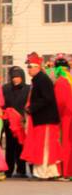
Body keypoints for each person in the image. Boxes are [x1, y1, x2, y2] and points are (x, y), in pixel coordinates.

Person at [22, 52, 62, 180]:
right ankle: (47, 171)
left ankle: (44, 172)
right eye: (28, 66)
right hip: (41, 118)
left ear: (37, 67)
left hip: (46, 118)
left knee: (44, 145)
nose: (28, 69)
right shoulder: (38, 80)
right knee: (42, 144)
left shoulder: (42, 80)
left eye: (30, 66)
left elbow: (47, 98)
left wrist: (31, 108)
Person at [1, 66, 29, 178]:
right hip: (9, 122)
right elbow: (3, 104)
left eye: (17, 77)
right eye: (13, 77)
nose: (15, 79)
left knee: (21, 146)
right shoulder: (6, 88)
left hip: (22, 122)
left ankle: (21, 170)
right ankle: (8, 170)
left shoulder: (28, 89)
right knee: (10, 147)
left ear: (22, 77)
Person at [52, 56, 72, 180]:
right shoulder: (69, 79)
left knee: (64, 144)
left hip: (65, 117)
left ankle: (65, 172)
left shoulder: (61, 82)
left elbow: (60, 102)